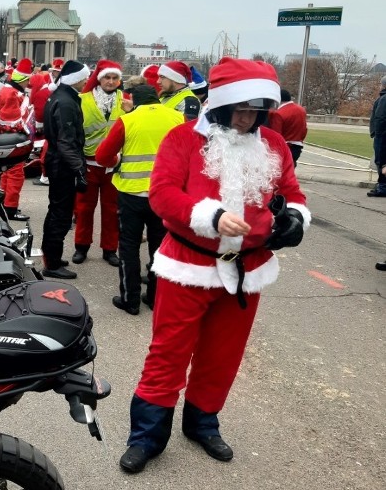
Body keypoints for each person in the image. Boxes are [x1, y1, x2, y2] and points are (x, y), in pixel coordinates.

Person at [119, 58, 310, 474]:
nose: (248, 119)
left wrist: (295, 217)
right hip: (189, 264)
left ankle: (202, 422)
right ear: (220, 105)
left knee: (222, 355)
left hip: (247, 270)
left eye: (257, 110)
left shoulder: (273, 145)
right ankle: (147, 436)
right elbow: (162, 194)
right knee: (168, 354)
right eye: (240, 109)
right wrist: (211, 215)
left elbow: (293, 192)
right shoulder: (183, 139)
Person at [95, 85, 184, 314]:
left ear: (134, 101)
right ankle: (155, 298)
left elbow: (103, 155)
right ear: (157, 99)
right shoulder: (177, 118)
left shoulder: (128, 120)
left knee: (129, 247)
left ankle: (130, 300)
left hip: (132, 194)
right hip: (164, 196)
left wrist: (117, 162)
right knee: (160, 248)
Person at [40, 60, 90, 280]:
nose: (87, 81)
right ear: (76, 79)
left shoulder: (60, 95)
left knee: (56, 211)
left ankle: (52, 257)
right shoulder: (66, 101)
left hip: (58, 160)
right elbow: (66, 141)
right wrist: (79, 168)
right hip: (62, 164)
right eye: (85, 78)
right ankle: (51, 263)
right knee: (60, 214)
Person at [73, 60, 125, 266]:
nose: (111, 82)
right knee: (84, 208)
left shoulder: (126, 100)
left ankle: (110, 249)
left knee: (112, 209)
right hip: (88, 162)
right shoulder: (82, 99)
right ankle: (81, 247)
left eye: (114, 78)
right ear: (99, 79)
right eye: (107, 77)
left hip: (114, 165)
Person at [0, 58, 34, 222]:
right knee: (15, 175)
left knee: (7, 174)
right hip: (12, 139)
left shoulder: (7, 90)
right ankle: (10, 208)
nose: (28, 83)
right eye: (27, 80)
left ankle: (4, 204)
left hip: (5, 138)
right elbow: (11, 121)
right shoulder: (12, 94)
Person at [31, 59, 63, 186]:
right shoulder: (49, 86)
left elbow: (39, 110)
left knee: (47, 150)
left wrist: (39, 125)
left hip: (50, 125)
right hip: (54, 124)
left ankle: (46, 176)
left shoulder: (42, 92)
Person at [266, 88, 308, 166]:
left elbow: (276, 135)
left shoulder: (279, 113)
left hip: (285, 147)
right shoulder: (301, 110)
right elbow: (304, 130)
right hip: (297, 147)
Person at [367, 75, 386, 197]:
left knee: (381, 161)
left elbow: (380, 118)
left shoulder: (383, 99)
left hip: (382, 136)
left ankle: (383, 187)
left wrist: (376, 133)